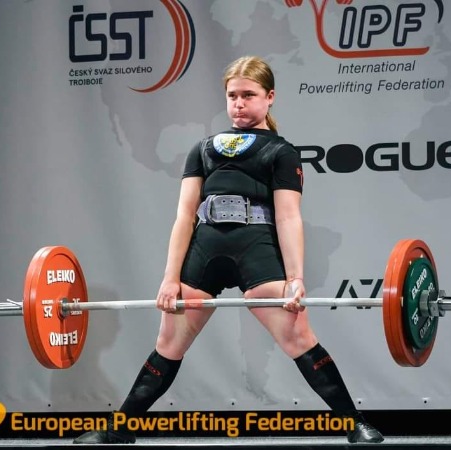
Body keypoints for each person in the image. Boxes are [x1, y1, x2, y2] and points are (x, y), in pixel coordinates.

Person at [74, 56, 383, 445]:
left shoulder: (282, 152)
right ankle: (120, 429)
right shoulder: (203, 149)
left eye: (248, 95)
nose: (239, 103)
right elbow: (184, 216)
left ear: (270, 97)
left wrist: (296, 278)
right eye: (232, 95)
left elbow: (288, 217)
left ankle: (354, 423)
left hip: (257, 248)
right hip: (205, 250)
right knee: (168, 344)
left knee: (298, 336)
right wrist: (170, 278)